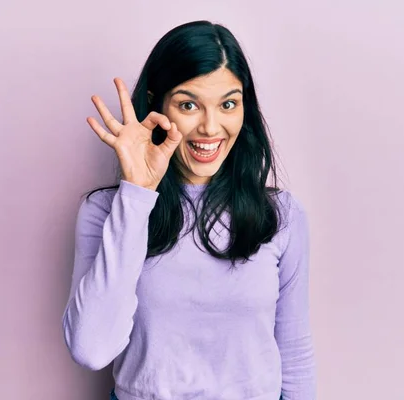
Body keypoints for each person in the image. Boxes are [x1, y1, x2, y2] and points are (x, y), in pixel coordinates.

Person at [62, 20, 316, 400]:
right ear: (157, 106)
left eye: (228, 104)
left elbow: (294, 353)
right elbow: (91, 349)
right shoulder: (105, 212)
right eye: (188, 105)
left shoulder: (280, 216)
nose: (210, 127)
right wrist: (137, 193)